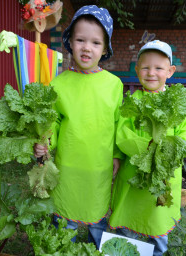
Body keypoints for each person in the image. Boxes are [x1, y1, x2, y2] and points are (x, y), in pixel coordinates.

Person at [34, 5, 123, 249]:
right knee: (64, 217)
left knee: (97, 218)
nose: (87, 47)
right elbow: (53, 122)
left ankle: (98, 250)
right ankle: (63, 249)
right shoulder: (59, 84)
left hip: (99, 166)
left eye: (95, 43)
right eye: (80, 40)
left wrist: (116, 155)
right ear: (70, 42)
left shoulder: (114, 85)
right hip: (67, 165)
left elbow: (118, 123)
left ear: (104, 49)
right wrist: (45, 144)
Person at [108, 40, 186, 256]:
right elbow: (123, 135)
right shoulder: (132, 101)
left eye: (159, 68)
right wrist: (148, 150)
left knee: (158, 223)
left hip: (164, 175)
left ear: (170, 71)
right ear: (137, 70)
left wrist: (164, 152)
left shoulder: (179, 102)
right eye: (145, 67)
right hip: (134, 174)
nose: (151, 73)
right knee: (127, 221)